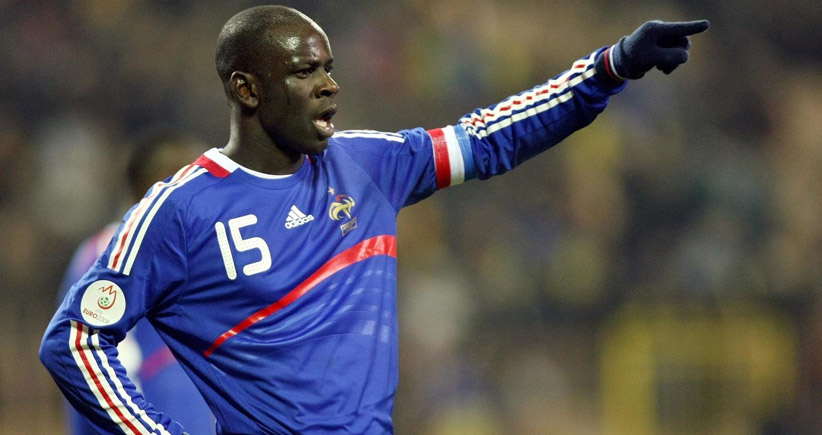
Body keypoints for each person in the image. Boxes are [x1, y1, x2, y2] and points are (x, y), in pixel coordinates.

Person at [40, 5, 709, 434]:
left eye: (329, 68)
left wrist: (608, 69)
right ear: (247, 89)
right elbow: (73, 340)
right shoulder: (179, 211)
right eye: (305, 72)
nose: (329, 85)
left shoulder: (366, 164)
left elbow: (488, 137)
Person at [54, 130, 215, 434]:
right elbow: (97, 360)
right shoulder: (107, 255)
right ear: (157, 187)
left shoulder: (192, 255)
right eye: (195, 184)